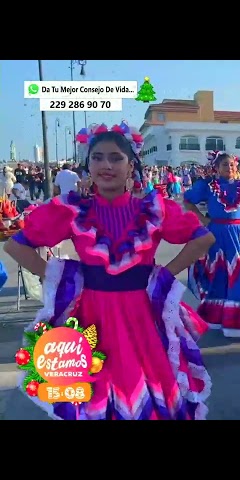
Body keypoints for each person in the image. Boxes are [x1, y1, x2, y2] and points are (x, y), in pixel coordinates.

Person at [3, 121, 215, 420]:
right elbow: (15, 246)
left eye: (116, 157)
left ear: (131, 166)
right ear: (87, 165)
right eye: (97, 157)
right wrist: (59, 278)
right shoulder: (72, 210)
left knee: (150, 386)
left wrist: (165, 274)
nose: (106, 165)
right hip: (92, 314)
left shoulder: (153, 209)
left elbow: (203, 238)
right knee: (96, 392)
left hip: (143, 314)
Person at [183, 151, 240, 338]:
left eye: (231, 165)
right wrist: (202, 219)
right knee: (218, 274)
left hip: (239, 234)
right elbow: (188, 201)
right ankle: (218, 317)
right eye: (224, 165)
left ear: (236, 166)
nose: (228, 168)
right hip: (216, 233)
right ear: (217, 168)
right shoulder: (208, 186)